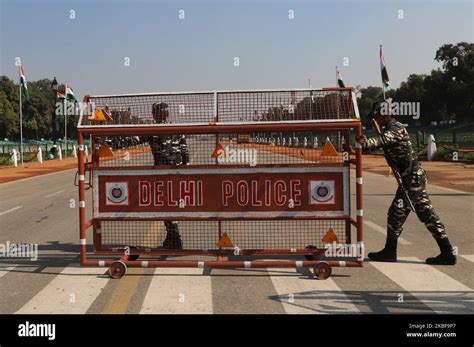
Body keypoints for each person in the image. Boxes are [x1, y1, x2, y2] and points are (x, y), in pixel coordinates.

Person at [359, 99, 456, 265]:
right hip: (412, 179)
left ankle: (390, 251)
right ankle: (447, 252)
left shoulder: (396, 128)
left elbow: (381, 141)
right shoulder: (389, 129)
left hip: (412, 179)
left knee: (395, 213)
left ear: (385, 114)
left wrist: (367, 143)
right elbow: (373, 146)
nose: (375, 119)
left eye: (377, 115)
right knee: (428, 216)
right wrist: (362, 144)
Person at [148, 102, 189, 249]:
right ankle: (172, 238)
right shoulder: (177, 129)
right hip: (177, 173)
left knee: (166, 207)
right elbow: (185, 153)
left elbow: (134, 139)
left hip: (164, 174)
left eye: (154, 111)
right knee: (171, 206)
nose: (153, 114)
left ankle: (174, 240)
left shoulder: (153, 130)